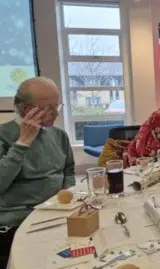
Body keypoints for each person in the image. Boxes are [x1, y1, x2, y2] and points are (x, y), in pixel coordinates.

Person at [0, 77, 75, 267]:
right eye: (47, 109)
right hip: (16, 222)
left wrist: (67, 194)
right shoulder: (3, 136)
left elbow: (68, 170)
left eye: (56, 107)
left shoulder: (59, 135)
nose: (54, 115)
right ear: (25, 109)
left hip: (56, 214)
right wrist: (23, 143)